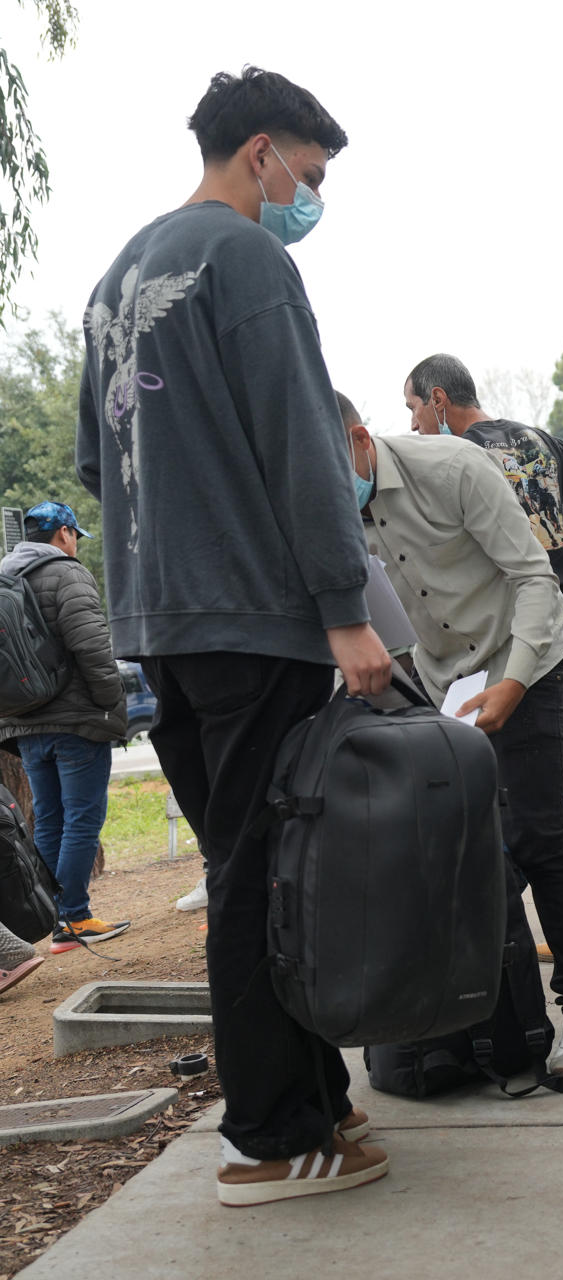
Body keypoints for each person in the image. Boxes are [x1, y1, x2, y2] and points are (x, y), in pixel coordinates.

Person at [75, 67, 389, 1205]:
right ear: (261, 153)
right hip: (258, 624)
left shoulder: (116, 276)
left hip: (161, 620)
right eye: (309, 175)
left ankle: (320, 1101)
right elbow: (304, 444)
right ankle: (265, 1136)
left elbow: (92, 465)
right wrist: (346, 610)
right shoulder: (251, 259)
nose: (310, 199)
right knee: (270, 878)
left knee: (251, 866)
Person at [343, 391, 563, 1074]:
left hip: (529, 660)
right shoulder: (331, 513)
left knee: (537, 832)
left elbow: (535, 580)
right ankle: (495, 1015)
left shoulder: (453, 469)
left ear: (356, 440)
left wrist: (514, 681)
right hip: (445, 687)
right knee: (470, 856)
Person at [403, 353, 563, 952]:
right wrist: (556, 558)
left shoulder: (456, 458)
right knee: (534, 792)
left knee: (522, 795)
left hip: (512, 629)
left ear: (438, 401)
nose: (414, 430)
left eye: (414, 411)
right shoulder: (538, 439)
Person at [0, 502, 130, 953]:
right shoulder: (67, 574)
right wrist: (113, 703)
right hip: (76, 721)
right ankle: (74, 917)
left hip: (24, 725)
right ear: (65, 534)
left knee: (49, 819)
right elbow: (93, 647)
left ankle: (58, 917)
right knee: (82, 818)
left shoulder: (5, 575)